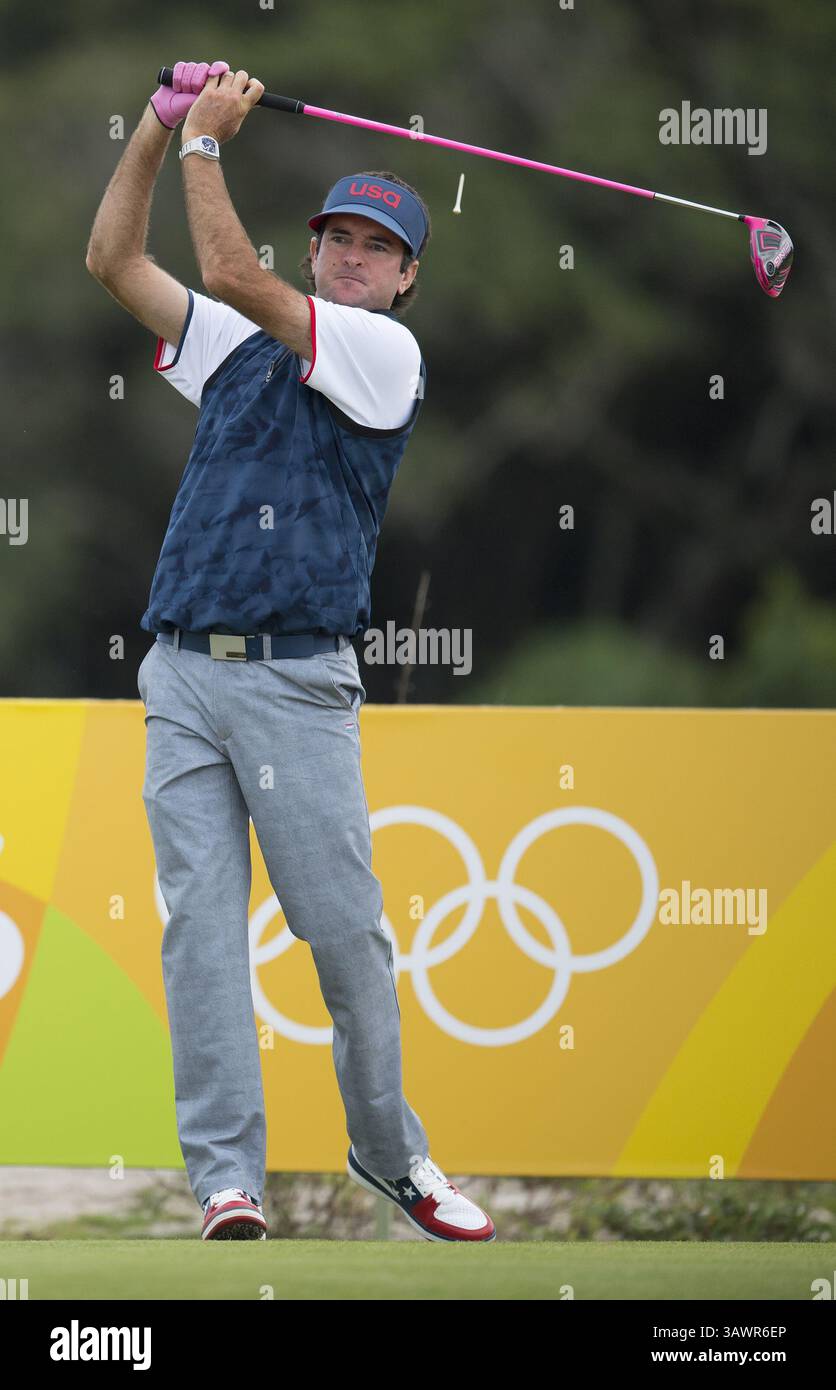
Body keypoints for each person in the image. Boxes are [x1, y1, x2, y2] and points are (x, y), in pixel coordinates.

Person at [85, 60, 495, 1243]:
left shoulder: (381, 359)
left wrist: (211, 144)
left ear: (407, 277)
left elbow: (225, 266)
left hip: (294, 683)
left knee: (342, 934)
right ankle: (227, 1178)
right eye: (339, 239)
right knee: (199, 933)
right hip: (181, 675)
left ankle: (391, 1155)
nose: (353, 256)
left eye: (378, 247)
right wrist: (159, 133)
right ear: (314, 248)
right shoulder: (235, 349)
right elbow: (118, 264)